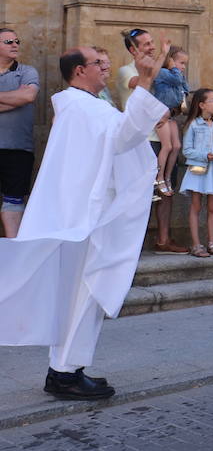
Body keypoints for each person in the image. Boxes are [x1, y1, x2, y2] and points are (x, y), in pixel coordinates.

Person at [0, 41, 165, 400]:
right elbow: (127, 137)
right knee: (83, 294)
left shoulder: (85, 107)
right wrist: (146, 82)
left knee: (82, 294)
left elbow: (118, 139)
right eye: (99, 63)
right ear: (80, 70)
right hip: (84, 219)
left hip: (83, 215)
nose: (106, 69)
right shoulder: (82, 108)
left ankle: (66, 369)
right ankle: (64, 374)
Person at [116, 28, 187, 254]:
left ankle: (163, 240)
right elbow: (146, 80)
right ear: (132, 49)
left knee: (166, 193)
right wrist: (165, 56)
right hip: (141, 141)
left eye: (152, 43)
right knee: (139, 195)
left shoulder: (161, 68)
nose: (152, 47)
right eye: (146, 44)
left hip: (162, 135)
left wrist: (171, 109)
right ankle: (128, 246)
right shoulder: (125, 71)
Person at [180, 88, 213, 258]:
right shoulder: (193, 125)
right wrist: (205, 156)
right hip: (198, 169)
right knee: (196, 206)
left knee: (212, 207)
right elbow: (187, 150)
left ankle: (211, 243)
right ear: (202, 105)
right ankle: (196, 244)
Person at [0, 27, 39, 239]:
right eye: (8, 42)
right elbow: (19, 98)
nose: (15, 45)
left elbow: (28, 97)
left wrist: (20, 98)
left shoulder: (27, 71)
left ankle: (12, 253)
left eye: (17, 41)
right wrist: (13, 99)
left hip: (18, 149)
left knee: (14, 201)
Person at [150, 45, 189, 197]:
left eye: (185, 64)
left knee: (176, 145)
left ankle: (167, 177)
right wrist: (174, 69)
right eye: (181, 63)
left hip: (171, 114)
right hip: (160, 113)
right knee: (166, 146)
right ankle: (158, 178)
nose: (183, 67)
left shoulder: (178, 75)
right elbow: (176, 80)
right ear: (170, 61)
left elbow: (185, 88)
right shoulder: (163, 72)